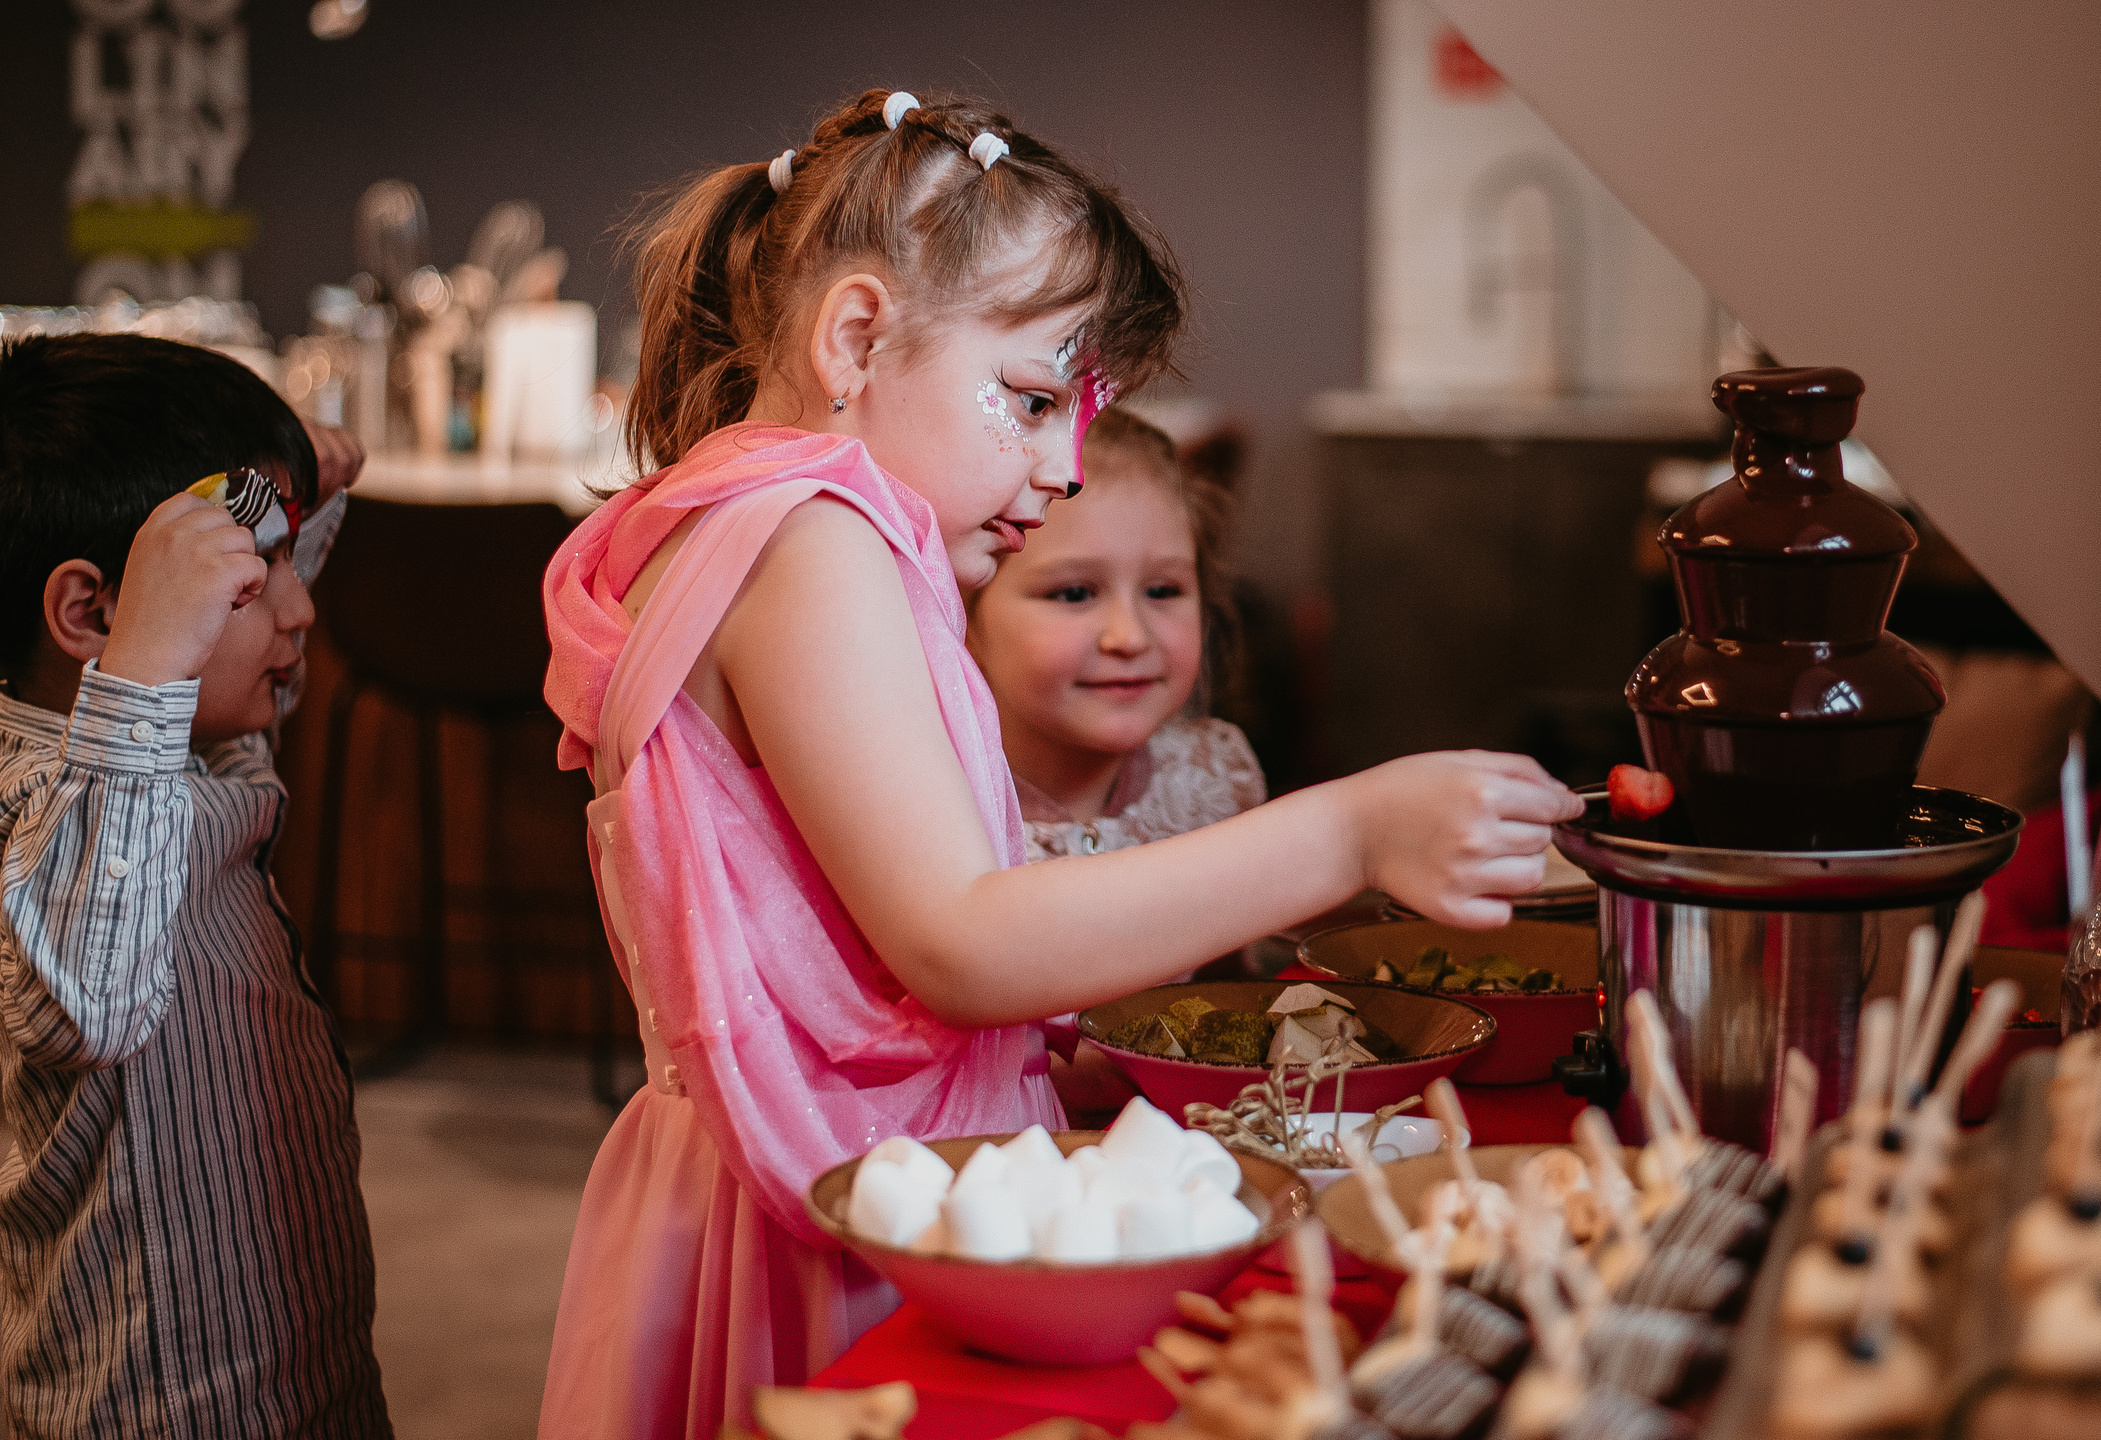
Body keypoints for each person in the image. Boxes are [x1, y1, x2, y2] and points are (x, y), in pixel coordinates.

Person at [539, 87, 1580, 1439]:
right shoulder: (815, 541)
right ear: (854, 336)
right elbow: (961, 937)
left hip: (849, 1164)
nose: (1064, 464)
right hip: (827, 1197)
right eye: (1033, 399)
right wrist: (1348, 833)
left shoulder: (782, 528)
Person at [0, 333, 384, 1438]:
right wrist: (150, 665)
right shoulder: (36, 800)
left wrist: (299, 500)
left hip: (295, 1359)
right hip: (150, 1407)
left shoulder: (196, 743)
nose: (298, 614)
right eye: (251, 585)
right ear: (91, 620)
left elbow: (242, 651)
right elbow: (93, 1006)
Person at [967, 406, 1261, 861]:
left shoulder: (1212, 777)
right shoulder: (939, 810)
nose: (1131, 637)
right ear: (964, 618)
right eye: (1075, 593)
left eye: (1163, 590)